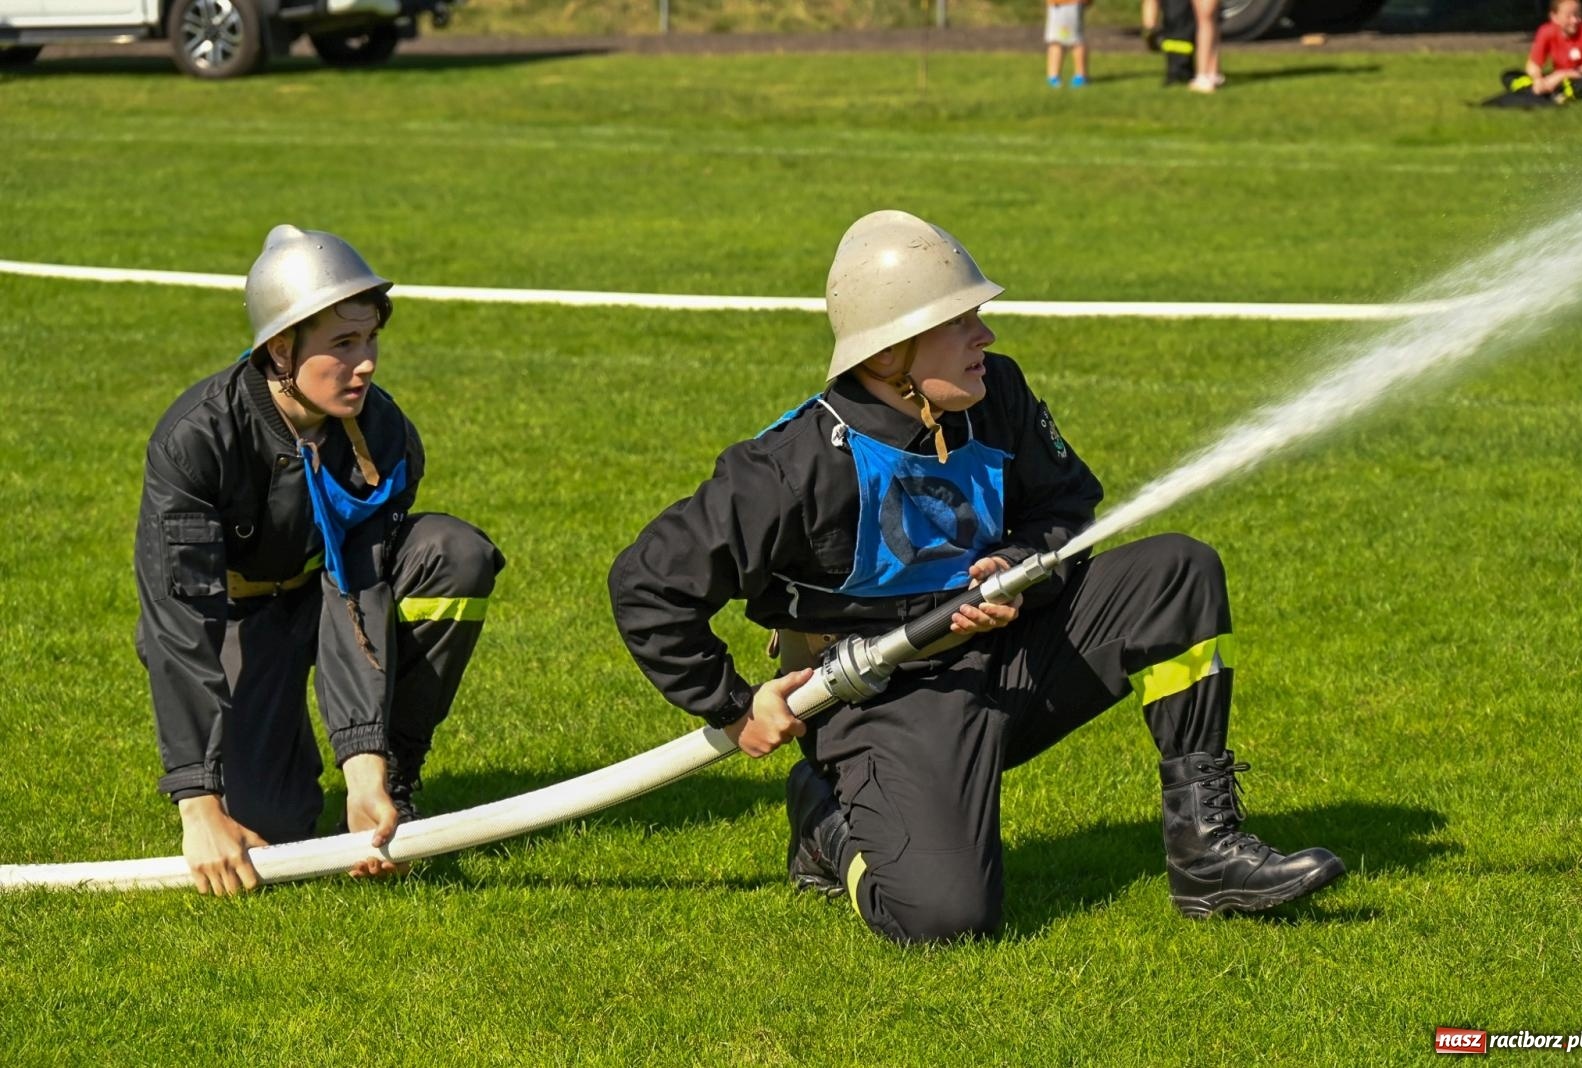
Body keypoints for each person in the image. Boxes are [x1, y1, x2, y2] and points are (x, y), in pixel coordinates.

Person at [609, 210, 1345, 944]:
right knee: (945, 920)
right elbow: (647, 585)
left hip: (1013, 656)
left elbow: (1065, 508)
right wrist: (734, 705)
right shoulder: (789, 468)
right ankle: (828, 825)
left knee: (1176, 572)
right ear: (891, 351)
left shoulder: (999, 396)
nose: (984, 336)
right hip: (887, 702)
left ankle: (1207, 850)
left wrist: (1022, 564)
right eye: (958, 322)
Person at [134, 225, 504, 896]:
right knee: (272, 828)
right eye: (342, 345)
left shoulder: (384, 433)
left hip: (328, 596)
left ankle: (394, 785)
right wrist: (199, 806)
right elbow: (179, 619)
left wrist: (367, 775)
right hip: (235, 616)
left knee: (454, 556)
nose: (366, 364)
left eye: (370, 339)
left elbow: (357, 590)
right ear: (281, 349)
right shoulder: (197, 439)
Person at [1506, 0, 1582, 100]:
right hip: (1557, 77)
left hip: (1578, 77)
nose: (1575, 20)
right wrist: (1538, 79)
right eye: (1568, 16)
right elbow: (1533, 64)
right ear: (1554, 17)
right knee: (1509, 76)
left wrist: (1560, 75)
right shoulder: (1546, 31)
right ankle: (1542, 89)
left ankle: (1560, 94)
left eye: (1578, 15)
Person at [1045, 0, 1090, 89]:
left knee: (1074, 41)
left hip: (1067, 7)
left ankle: (1080, 76)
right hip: (1059, 8)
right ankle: (1054, 76)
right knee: (1058, 41)